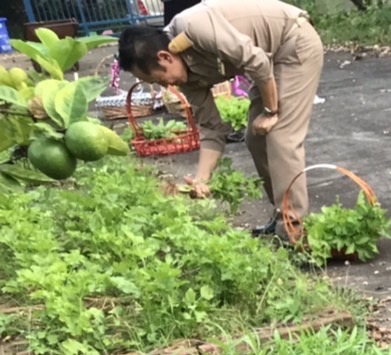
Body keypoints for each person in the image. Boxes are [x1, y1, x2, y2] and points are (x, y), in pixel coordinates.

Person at [116, 0, 324, 237]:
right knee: (255, 139)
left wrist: (270, 111)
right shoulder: (186, 79)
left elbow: (256, 61)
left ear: (164, 57)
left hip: (293, 40)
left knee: (280, 135)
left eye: (160, 80)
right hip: (268, 59)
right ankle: (282, 214)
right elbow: (211, 128)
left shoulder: (194, 26)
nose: (165, 86)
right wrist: (201, 179)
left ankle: (294, 227)